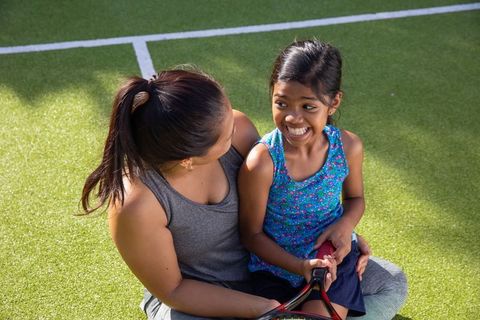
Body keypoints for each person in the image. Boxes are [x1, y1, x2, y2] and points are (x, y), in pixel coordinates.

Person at [81, 67, 407, 320]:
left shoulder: (237, 129)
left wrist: (343, 231)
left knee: (391, 281)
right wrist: (263, 308)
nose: (235, 126)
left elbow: (280, 197)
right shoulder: (135, 204)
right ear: (188, 160)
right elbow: (174, 289)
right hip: (200, 298)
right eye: (224, 135)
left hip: (273, 267)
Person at [237, 40, 394, 319]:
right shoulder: (262, 162)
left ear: (333, 103)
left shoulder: (348, 147)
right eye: (281, 103)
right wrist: (300, 266)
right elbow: (251, 235)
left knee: (393, 283)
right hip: (276, 272)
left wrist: (346, 226)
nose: (292, 118)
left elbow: (355, 199)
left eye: (308, 106)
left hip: (333, 265)